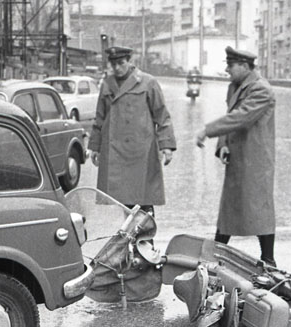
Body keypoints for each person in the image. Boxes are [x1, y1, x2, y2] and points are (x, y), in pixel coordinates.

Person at [195, 46, 277, 266]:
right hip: (237, 156)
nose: (227, 70)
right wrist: (223, 144)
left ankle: (268, 259)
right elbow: (231, 116)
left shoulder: (261, 89)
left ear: (244, 66)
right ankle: (215, 255)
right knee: (230, 208)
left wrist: (207, 130)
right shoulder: (236, 87)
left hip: (255, 159)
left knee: (259, 208)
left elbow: (241, 118)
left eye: (230, 65)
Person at [89, 46, 176, 216]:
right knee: (124, 202)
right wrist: (94, 146)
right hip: (115, 151)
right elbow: (100, 118)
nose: (117, 68)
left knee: (143, 199)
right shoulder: (107, 84)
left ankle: (146, 232)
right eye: (113, 64)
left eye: (121, 63)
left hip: (141, 152)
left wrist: (166, 146)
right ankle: (130, 232)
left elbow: (161, 115)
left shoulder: (148, 82)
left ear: (130, 61)